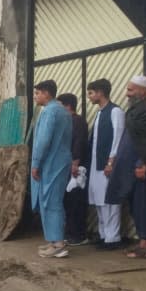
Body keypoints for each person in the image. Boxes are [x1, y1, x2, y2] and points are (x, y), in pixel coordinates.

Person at [106, 75, 146, 258]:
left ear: (143, 91)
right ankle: (143, 242)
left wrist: (144, 163)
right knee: (137, 206)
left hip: (145, 168)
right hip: (133, 168)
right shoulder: (140, 107)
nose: (127, 94)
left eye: (130, 90)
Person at [31, 80, 73, 258]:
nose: (35, 96)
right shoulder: (63, 111)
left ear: (47, 94)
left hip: (51, 163)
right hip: (61, 161)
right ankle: (54, 241)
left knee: (50, 202)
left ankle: (58, 244)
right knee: (53, 201)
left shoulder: (49, 111)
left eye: (37, 93)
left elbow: (43, 141)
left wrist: (36, 163)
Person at [86, 79, 125, 250]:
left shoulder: (115, 111)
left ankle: (113, 238)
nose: (89, 97)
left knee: (110, 202)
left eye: (91, 93)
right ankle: (103, 235)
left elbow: (118, 138)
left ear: (100, 92)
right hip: (96, 165)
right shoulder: (100, 113)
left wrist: (111, 161)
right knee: (99, 201)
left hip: (108, 164)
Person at [57, 94, 89, 246]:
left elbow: (79, 143)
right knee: (68, 202)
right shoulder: (67, 121)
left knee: (76, 201)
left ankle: (78, 235)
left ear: (67, 105)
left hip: (76, 169)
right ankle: (69, 233)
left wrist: (75, 163)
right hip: (66, 167)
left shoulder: (78, 121)